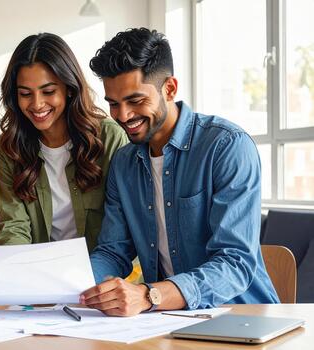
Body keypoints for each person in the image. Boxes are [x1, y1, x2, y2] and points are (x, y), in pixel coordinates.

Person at [80, 28, 279, 317]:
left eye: (135, 100)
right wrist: (75, 287)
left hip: (241, 315)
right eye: (113, 103)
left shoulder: (226, 147)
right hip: (167, 321)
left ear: (170, 88)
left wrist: (151, 295)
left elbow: (235, 262)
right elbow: (113, 252)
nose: (122, 116)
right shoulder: (124, 164)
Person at [0, 33, 130, 257]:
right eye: (25, 94)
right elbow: (13, 226)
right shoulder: (8, 148)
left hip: (102, 272)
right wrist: (20, 273)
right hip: (39, 273)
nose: (37, 104)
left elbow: (121, 226)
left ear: (68, 88)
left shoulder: (109, 137)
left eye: (48, 92)